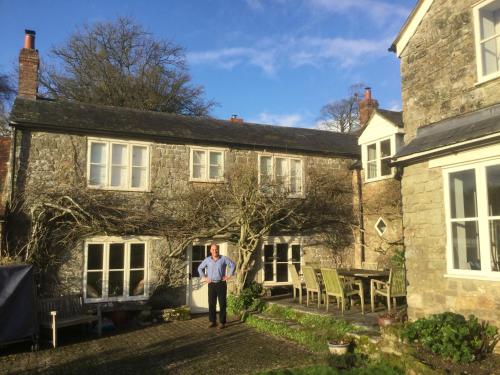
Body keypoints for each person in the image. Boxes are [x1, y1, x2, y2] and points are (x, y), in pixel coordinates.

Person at [197, 243, 236, 329]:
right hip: (211, 284)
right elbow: (199, 268)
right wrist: (204, 277)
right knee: (211, 303)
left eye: (216, 249)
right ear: (210, 251)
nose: (215, 251)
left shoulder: (223, 259)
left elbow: (233, 265)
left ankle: (222, 322)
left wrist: (228, 275)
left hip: (221, 284)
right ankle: (212, 321)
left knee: (222, 303)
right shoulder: (207, 260)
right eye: (213, 249)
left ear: (218, 250)